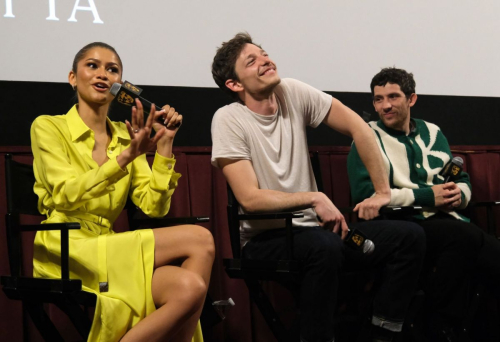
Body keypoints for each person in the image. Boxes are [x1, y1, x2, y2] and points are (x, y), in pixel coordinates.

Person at [211, 33, 425, 342]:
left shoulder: (292, 92)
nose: (265, 60)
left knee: (409, 237)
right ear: (235, 84)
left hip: (315, 234)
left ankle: (381, 331)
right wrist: (313, 198)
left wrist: (382, 193)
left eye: (264, 54)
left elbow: (359, 128)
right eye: (252, 60)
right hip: (266, 239)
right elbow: (250, 199)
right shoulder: (228, 119)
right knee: (325, 248)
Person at [30, 42, 214, 342]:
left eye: (112, 69)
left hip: (108, 245)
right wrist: (126, 157)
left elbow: (154, 207)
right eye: (92, 65)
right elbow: (65, 194)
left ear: (120, 85)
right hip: (66, 246)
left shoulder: (126, 134)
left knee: (190, 287)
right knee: (201, 238)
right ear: (73, 78)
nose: (103, 74)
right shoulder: (49, 127)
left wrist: (164, 146)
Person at [347, 67, 500, 340]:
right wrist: (429, 196)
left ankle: (441, 323)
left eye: (393, 97)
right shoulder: (366, 136)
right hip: (403, 225)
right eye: (378, 99)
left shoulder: (432, 132)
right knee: (464, 237)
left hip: (446, 222)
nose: (385, 106)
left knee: (482, 248)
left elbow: (459, 179)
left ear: (411, 99)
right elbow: (367, 197)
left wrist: (459, 195)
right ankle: (439, 322)